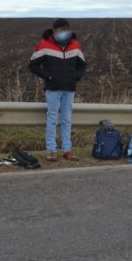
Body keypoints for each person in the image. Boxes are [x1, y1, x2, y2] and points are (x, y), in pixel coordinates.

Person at [29, 18, 86, 162]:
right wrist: (47, 76)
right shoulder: (44, 45)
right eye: (60, 31)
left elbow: (82, 65)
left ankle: (67, 150)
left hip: (69, 88)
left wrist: (76, 76)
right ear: (54, 31)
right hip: (53, 89)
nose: (63, 33)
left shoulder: (75, 45)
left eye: (65, 30)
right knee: (52, 119)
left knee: (67, 120)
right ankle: (51, 151)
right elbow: (32, 65)